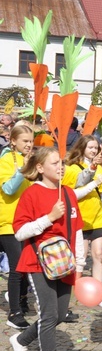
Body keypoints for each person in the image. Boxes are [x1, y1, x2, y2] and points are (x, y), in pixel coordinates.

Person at [10, 147, 85, 351]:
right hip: (37, 262)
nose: (60, 166)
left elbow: (77, 231)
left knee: (60, 315)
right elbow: (20, 232)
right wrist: (49, 218)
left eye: (61, 162)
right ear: (40, 168)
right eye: (54, 163)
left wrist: (80, 265)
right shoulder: (31, 194)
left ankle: (21, 340)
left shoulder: (69, 193)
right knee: (49, 315)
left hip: (65, 264)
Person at [63, 135, 102, 307]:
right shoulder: (72, 168)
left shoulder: (99, 168)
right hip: (81, 217)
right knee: (80, 257)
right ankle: (75, 290)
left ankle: (99, 290)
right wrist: (92, 183)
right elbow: (74, 193)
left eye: (96, 148)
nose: (94, 151)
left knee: (98, 254)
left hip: (98, 216)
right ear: (82, 148)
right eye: (90, 147)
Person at [0, 125, 34, 329]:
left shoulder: (28, 160)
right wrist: (25, 169)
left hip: (26, 222)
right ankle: (14, 312)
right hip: (8, 223)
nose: (29, 145)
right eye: (25, 141)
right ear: (13, 141)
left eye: (31, 141)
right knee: (16, 268)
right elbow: (9, 189)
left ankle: (21, 300)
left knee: (24, 266)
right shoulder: (6, 160)